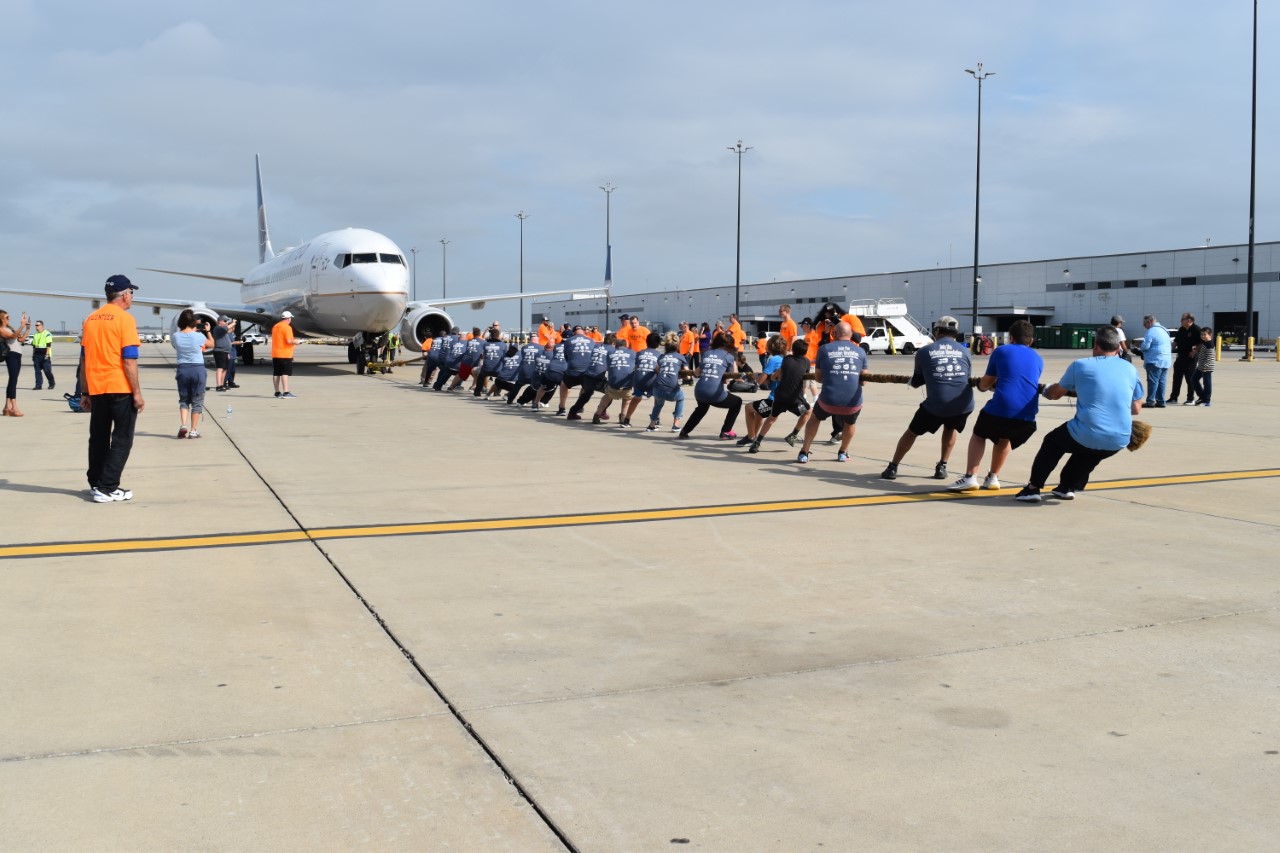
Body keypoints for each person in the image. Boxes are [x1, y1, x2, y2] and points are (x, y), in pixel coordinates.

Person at [1015, 325, 1144, 502]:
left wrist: (1045, 389)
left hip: (1088, 432)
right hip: (1120, 438)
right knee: (1089, 452)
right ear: (1118, 348)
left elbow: (1055, 393)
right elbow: (1136, 408)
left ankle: (1033, 488)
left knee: (1053, 442)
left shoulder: (1081, 365)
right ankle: (1067, 487)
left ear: (1096, 345)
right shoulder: (1130, 369)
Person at [947, 319, 1043, 491]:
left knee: (979, 433)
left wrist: (983, 387)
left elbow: (986, 382)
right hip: (1027, 415)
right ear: (1031, 341)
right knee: (1004, 437)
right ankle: (993, 477)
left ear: (1011, 338)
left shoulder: (1002, 351)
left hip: (1002, 407)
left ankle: (970, 476)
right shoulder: (1038, 357)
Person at [881, 315, 973, 481]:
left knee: (911, 432)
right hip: (963, 404)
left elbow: (917, 381)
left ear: (937, 331)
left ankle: (893, 467)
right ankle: (942, 466)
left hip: (937, 404)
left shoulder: (925, 351)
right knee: (950, 428)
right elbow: (965, 376)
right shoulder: (965, 351)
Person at [79, 275, 145, 502]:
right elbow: (129, 360)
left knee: (98, 437)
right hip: (120, 387)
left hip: (97, 388)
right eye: (132, 293)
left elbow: (84, 360)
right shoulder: (125, 320)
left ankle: (96, 482)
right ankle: (107, 488)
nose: (132, 297)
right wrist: (136, 392)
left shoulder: (91, 319)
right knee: (122, 439)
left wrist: (85, 392)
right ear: (125, 294)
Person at [795, 322, 868, 463]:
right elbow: (863, 381)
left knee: (815, 417)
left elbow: (819, 378)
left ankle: (804, 452)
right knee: (850, 422)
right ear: (851, 334)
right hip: (852, 402)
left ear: (834, 334)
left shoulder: (824, 349)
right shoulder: (860, 351)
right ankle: (843, 452)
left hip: (828, 400)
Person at [746, 339, 812, 453]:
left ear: (792, 350)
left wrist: (773, 377)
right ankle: (793, 434)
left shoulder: (786, 359)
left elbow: (774, 376)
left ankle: (757, 443)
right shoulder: (806, 362)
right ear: (805, 352)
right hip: (795, 400)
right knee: (808, 411)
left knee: (771, 419)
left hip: (780, 397)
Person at [677, 333, 742, 440]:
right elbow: (727, 380)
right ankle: (726, 431)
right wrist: (733, 362)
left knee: (701, 409)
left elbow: (697, 373)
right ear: (729, 346)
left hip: (699, 391)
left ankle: (684, 431)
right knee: (737, 402)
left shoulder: (707, 353)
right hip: (714, 393)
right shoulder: (728, 356)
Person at [170, 310, 213, 438]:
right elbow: (212, 344)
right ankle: (193, 430)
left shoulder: (175, 336)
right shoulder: (199, 336)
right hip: (197, 369)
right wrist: (208, 331)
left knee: (184, 399)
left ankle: (183, 425)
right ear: (193, 322)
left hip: (183, 369)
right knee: (197, 400)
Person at [595, 338, 636, 425]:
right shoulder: (632, 352)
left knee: (606, 397)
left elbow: (609, 366)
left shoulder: (610, 353)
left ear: (616, 346)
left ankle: (597, 415)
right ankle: (623, 418)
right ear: (626, 345)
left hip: (613, 385)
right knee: (627, 400)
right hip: (627, 385)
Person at [648, 340, 687, 431]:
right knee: (681, 398)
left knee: (658, 404)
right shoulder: (680, 357)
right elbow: (688, 375)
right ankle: (676, 424)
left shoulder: (661, 357)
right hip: (671, 390)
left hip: (657, 388)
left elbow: (657, 369)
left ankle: (652, 424)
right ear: (677, 347)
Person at [1167, 312, 1201, 404]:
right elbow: (1176, 341)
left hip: (1190, 358)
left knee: (1190, 378)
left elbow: (1201, 343)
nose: (1180, 321)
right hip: (1180, 356)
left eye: (1182, 319)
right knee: (1177, 377)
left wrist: (1194, 351)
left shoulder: (1196, 329)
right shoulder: (1181, 329)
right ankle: (1174, 398)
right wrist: (1170, 349)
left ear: (1189, 320)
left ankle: (1190, 398)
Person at [1138, 314, 1171, 407]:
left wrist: (1140, 346)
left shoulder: (1151, 331)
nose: (1144, 326)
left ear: (1149, 322)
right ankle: (1161, 401)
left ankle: (1151, 401)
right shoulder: (1164, 330)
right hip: (1166, 359)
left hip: (1154, 359)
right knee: (1162, 381)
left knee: (1153, 381)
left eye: (1145, 324)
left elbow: (1146, 346)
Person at [1, 309, 30, 416]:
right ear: (2, 318)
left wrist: (27, 329)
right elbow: (12, 337)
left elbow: (21, 339)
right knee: (13, 380)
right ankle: (13, 407)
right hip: (11, 355)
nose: (9, 319)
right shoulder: (1, 329)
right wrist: (21, 325)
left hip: (17, 355)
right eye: (7, 317)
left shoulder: (9, 328)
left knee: (13, 380)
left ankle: (6, 407)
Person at [271, 311, 298, 398]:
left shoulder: (275, 326)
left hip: (275, 353)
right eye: (290, 318)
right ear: (288, 318)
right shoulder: (287, 327)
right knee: (285, 373)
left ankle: (277, 392)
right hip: (285, 354)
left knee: (276, 373)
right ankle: (286, 392)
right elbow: (289, 341)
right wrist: (296, 341)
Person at [1189, 326, 1215, 406]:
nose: (1203, 336)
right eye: (1202, 334)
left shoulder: (1210, 344)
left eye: (1205, 334)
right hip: (1201, 366)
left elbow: (1210, 357)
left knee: (1207, 383)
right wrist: (1196, 351)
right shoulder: (1205, 343)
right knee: (1194, 379)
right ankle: (1202, 397)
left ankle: (1207, 400)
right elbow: (1203, 353)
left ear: (1210, 335)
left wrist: (1205, 366)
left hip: (1206, 367)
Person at [211, 316, 235, 391]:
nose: (226, 322)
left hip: (225, 351)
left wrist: (228, 352)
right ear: (220, 321)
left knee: (225, 369)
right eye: (225, 321)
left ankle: (222, 384)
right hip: (219, 351)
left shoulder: (222, 330)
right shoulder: (218, 328)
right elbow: (226, 329)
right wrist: (233, 323)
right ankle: (218, 385)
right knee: (220, 368)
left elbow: (227, 330)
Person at [30, 319, 55, 391]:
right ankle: (38, 385)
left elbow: (48, 345)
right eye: (36, 325)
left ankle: (51, 383)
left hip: (45, 355)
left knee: (47, 371)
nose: (36, 326)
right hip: (37, 355)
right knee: (37, 371)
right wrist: (33, 355)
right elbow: (34, 346)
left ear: (42, 326)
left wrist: (47, 354)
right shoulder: (35, 335)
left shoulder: (47, 334)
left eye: (37, 325)